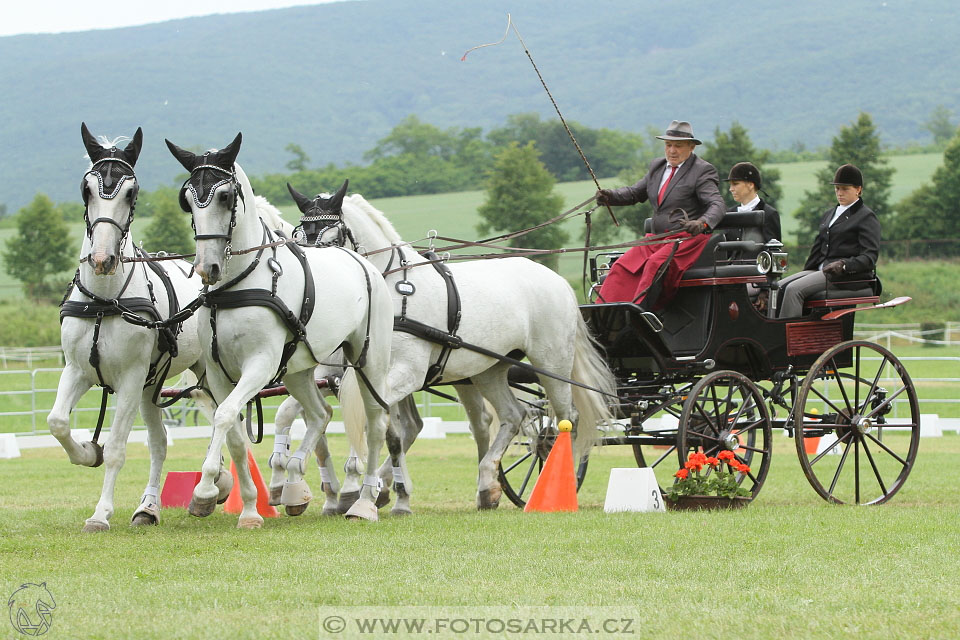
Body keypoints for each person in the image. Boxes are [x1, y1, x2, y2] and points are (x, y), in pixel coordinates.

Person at [595, 120, 726, 309]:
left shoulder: (702, 171)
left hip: (685, 240)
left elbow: (717, 204)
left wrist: (702, 223)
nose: (672, 150)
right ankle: (605, 314)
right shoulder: (657, 167)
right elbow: (634, 193)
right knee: (621, 267)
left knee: (655, 265)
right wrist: (610, 196)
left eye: (678, 146)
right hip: (657, 239)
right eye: (668, 145)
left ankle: (640, 314)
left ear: (691, 147)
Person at [777, 164, 881, 318]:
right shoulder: (829, 214)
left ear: (858, 189)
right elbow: (817, 249)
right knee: (778, 287)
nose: (840, 193)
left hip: (844, 276)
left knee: (794, 290)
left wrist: (844, 265)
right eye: (837, 189)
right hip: (821, 270)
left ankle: (787, 338)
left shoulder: (866, 217)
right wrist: (805, 272)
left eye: (845, 189)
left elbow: (869, 257)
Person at [723, 161, 781, 242]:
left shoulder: (769, 214)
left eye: (735, 184)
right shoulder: (730, 213)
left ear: (750, 185)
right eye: (730, 185)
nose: (731, 189)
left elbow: (773, 250)